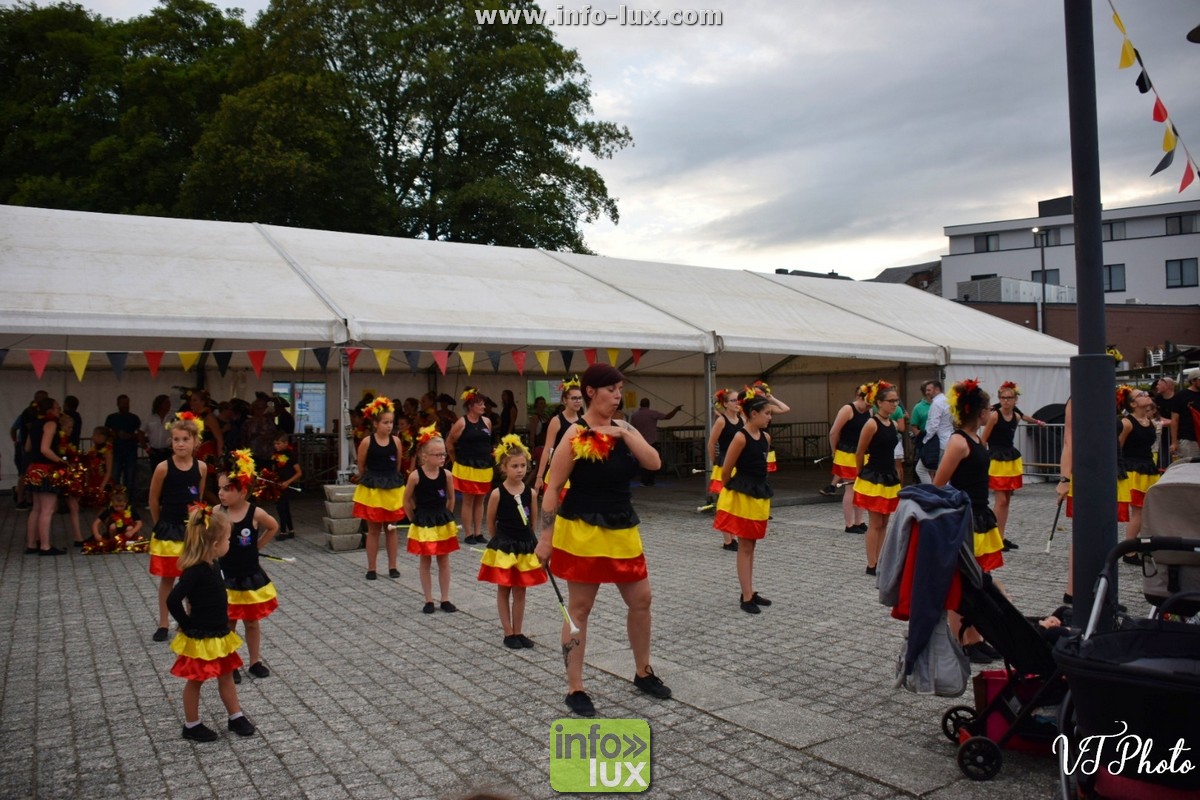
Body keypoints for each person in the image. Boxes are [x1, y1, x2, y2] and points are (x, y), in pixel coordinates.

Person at [535, 364, 672, 718]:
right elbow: (552, 489)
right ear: (591, 392)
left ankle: (643, 671)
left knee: (642, 599)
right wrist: (545, 538)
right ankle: (575, 686)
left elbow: (654, 462)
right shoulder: (574, 435)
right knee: (580, 608)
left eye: (620, 388)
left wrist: (625, 435)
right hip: (582, 528)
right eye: (611, 389)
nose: (617, 394)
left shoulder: (625, 428)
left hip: (622, 526)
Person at [166, 504, 256, 742]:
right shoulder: (194, 571)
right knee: (196, 680)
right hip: (201, 636)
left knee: (226, 674)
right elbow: (173, 599)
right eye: (227, 539)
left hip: (219, 633)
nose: (230, 543)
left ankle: (235, 716)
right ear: (215, 544)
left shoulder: (214, 564)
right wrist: (187, 624)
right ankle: (191, 724)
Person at [933, 379, 1003, 664]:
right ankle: (963, 640)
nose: (990, 412)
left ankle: (976, 636)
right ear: (980, 412)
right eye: (988, 408)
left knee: (980, 579)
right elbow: (939, 483)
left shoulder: (976, 439)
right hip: (965, 516)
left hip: (981, 514)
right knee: (965, 581)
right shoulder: (959, 441)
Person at [217, 451, 280, 683]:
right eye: (220, 488)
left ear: (242, 491)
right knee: (229, 622)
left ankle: (255, 661)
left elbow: (273, 526)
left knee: (252, 622)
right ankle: (230, 662)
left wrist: (257, 546)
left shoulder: (255, 513)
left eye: (226, 489)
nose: (221, 493)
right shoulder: (217, 513)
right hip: (227, 577)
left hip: (249, 576)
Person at [478, 435, 546, 648]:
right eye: (514, 466)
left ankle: (519, 630)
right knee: (504, 587)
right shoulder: (498, 494)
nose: (519, 470)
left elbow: (533, 521)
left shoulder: (531, 494)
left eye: (523, 465)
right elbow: (490, 523)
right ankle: (508, 631)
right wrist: (500, 541)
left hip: (524, 545)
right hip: (505, 546)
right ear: (504, 468)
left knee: (520, 589)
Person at [713, 387, 776, 614]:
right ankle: (746, 595)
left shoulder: (766, 437)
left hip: (758, 493)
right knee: (745, 546)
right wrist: (734, 491)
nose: (770, 417)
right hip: (743, 495)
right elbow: (726, 469)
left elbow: (763, 466)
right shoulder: (741, 437)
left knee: (752, 544)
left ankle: (749, 590)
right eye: (767, 413)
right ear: (753, 414)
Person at [148, 414, 207, 642]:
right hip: (169, 530)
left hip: (192, 531)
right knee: (168, 578)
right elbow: (153, 499)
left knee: (192, 578)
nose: (180, 443)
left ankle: (190, 620)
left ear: (195, 441)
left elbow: (199, 498)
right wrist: (158, 523)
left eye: (185, 439)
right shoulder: (163, 467)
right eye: (176, 439)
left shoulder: (201, 467)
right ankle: (163, 623)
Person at [981, 381, 1046, 552]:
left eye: (1009, 398)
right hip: (996, 459)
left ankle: (1001, 536)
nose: (1006, 401)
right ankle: (993, 537)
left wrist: (1038, 422)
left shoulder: (1016, 416)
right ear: (999, 399)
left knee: (1007, 501)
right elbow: (984, 439)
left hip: (1010, 458)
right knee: (1000, 500)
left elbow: (1025, 417)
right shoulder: (995, 415)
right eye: (1003, 398)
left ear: (1015, 399)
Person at [403, 425, 459, 613]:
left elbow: (451, 498)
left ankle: (445, 598)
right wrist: (413, 518)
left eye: (444, 454)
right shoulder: (415, 476)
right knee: (425, 561)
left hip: (441, 520)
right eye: (438, 455)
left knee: (443, 560)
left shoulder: (447, 475)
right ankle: (428, 599)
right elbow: (406, 498)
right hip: (424, 520)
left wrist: (447, 515)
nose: (443, 458)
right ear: (425, 456)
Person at [352, 396, 406, 582]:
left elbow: (398, 465)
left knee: (391, 529)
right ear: (375, 423)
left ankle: (393, 566)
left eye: (391, 422)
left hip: (391, 488)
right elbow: (361, 466)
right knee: (373, 530)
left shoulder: (396, 442)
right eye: (385, 422)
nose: (389, 426)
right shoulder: (367, 442)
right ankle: (372, 568)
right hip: (374, 489)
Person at [852, 381, 902, 577]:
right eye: (891, 401)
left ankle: (881, 559)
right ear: (879, 403)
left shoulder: (894, 424)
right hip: (874, 476)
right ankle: (871, 563)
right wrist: (860, 473)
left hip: (889, 476)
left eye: (896, 401)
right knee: (875, 522)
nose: (894, 404)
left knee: (885, 521)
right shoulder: (871, 424)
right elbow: (859, 451)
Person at [1117, 387, 1160, 564]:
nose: (1145, 395)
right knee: (1139, 512)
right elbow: (1117, 447)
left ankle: (1143, 546)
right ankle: (1129, 552)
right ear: (1133, 404)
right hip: (1134, 470)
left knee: (1149, 511)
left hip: (1148, 468)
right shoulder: (1127, 423)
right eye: (1140, 395)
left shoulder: (1148, 420)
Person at [447, 387, 493, 545]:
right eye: (480, 404)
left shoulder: (487, 422)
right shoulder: (461, 422)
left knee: (481, 500)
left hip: (484, 466)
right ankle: (468, 533)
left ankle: (478, 532)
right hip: (467, 466)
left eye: (483, 404)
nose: (484, 407)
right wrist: (454, 461)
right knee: (468, 500)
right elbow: (450, 442)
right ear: (471, 406)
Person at [823, 386, 870, 534]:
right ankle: (849, 524)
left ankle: (860, 520)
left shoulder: (869, 410)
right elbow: (834, 432)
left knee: (861, 488)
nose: (871, 405)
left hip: (862, 453)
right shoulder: (848, 409)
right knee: (850, 488)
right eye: (870, 401)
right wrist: (834, 450)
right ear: (861, 397)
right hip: (847, 453)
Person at [24, 396, 67, 556]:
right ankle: (45, 546)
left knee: (36, 508)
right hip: (46, 469)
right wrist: (61, 462)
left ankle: (31, 544)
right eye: (57, 408)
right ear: (50, 410)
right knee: (48, 509)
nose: (59, 410)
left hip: (33, 468)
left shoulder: (34, 424)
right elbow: (45, 449)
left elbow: (28, 447)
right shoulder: (50, 424)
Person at [533, 377, 584, 497]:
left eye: (580, 398)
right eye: (574, 398)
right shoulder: (556, 421)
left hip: (578, 471)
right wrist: (539, 476)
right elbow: (547, 449)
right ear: (564, 400)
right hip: (559, 470)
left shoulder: (584, 421)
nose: (577, 401)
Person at [705, 388, 743, 551]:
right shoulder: (721, 421)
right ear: (726, 404)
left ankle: (734, 535)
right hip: (725, 463)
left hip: (739, 463)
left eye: (738, 400)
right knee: (725, 502)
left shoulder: (742, 418)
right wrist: (716, 462)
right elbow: (711, 443)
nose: (737, 403)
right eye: (733, 401)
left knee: (737, 502)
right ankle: (728, 540)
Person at [629, 398, 683, 486]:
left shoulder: (635, 415)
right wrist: (676, 410)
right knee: (653, 460)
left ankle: (644, 480)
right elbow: (667, 417)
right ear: (648, 405)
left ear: (640, 404)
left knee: (643, 462)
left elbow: (632, 428)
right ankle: (651, 480)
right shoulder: (653, 413)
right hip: (652, 441)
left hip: (640, 442)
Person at [54, 414, 87, 548]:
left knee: (74, 506)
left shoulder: (67, 440)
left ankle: (78, 537)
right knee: (50, 508)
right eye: (68, 427)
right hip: (59, 476)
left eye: (72, 427)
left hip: (68, 477)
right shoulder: (58, 440)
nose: (71, 429)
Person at [105, 394, 142, 501]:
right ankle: (113, 499)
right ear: (118, 404)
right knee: (114, 477)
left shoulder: (134, 418)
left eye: (127, 403)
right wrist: (115, 435)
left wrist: (130, 436)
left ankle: (128, 501)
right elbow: (106, 433)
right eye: (123, 404)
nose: (125, 406)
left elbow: (139, 433)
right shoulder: (111, 418)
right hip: (116, 452)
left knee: (129, 478)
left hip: (130, 452)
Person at [86, 486, 143, 553]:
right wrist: (96, 534)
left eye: (121, 506)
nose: (119, 509)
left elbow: (139, 523)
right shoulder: (110, 509)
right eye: (116, 506)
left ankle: (126, 544)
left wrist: (132, 532)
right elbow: (96, 523)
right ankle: (113, 543)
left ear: (126, 502)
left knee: (129, 528)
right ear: (112, 503)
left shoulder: (130, 509)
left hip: (127, 530)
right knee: (112, 526)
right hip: (114, 531)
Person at [916, 380, 953, 485]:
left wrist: (925, 440)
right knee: (943, 471)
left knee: (921, 469)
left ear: (937, 389)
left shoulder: (936, 404)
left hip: (938, 442)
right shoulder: (948, 401)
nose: (927, 392)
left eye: (929, 390)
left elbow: (933, 425)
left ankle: (931, 492)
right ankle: (945, 494)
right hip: (948, 440)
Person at [267, 432, 302, 539]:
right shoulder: (275, 455)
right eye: (275, 444)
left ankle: (283, 531)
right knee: (283, 508)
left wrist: (288, 482)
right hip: (278, 484)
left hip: (286, 485)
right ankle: (291, 530)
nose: (276, 446)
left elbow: (299, 472)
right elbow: (274, 470)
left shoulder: (290, 455)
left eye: (278, 444)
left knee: (282, 507)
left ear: (285, 443)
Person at [140, 394, 174, 478]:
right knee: (157, 476)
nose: (169, 405)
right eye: (167, 403)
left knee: (169, 475)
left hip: (168, 452)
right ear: (160, 404)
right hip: (155, 452)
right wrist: (146, 448)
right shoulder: (149, 417)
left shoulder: (172, 418)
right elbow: (140, 433)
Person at [81, 426, 113, 510]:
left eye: (95, 435)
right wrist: (87, 484)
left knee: (104, 508)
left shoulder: (107, 452)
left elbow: (109, 471)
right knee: (97, 507)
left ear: (102, 437)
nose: (92, 437)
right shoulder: (92, 451)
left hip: (103, 481)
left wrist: (102, 486)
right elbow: (88, 468)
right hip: (94, 481)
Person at [1171, 368, 1200, 461]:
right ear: (1193, 380)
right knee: (1189, 468)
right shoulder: (1181, 396)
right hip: (1188, 439)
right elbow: (1174, 420)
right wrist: (1174, 442)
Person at [1150, 376, 1179, 468]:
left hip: (1178, 435)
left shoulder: (1178, 399)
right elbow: (1155, 416)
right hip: (1162, 435)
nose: (1156, 387)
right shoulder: (1157, 399)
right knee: (1163, 459)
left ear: (1166, 386)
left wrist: (1172, 423)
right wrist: (1173, 422)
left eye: (1158, 384)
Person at [908, 381, 934, 482]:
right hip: (924, 441)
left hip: (939, 440)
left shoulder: (941, 404)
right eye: (928, 390)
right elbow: (914, 426)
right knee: (923, 468)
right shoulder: (918, 407)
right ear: (925, 392)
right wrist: (921, 436)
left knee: (935, 468)